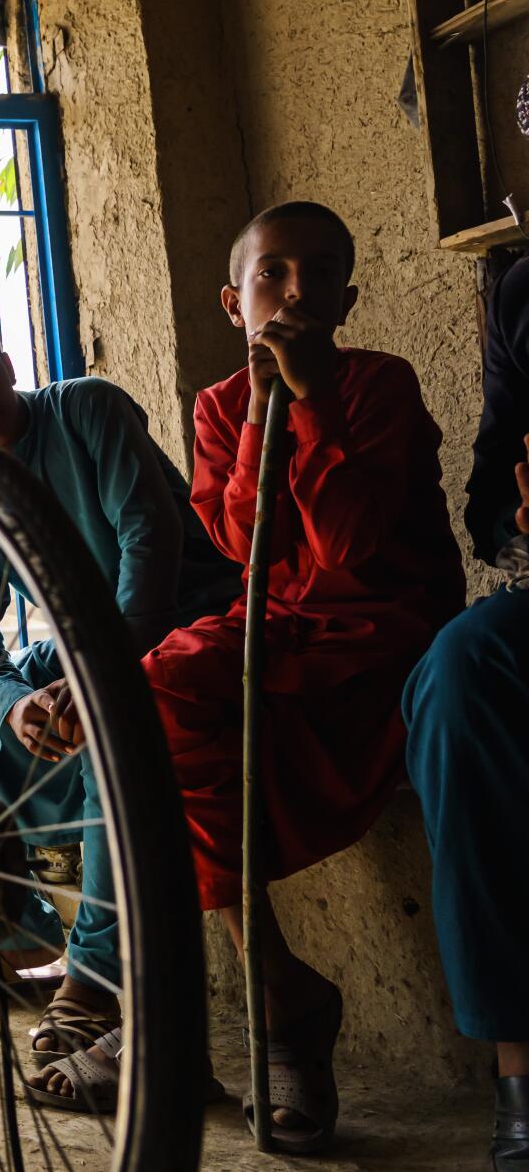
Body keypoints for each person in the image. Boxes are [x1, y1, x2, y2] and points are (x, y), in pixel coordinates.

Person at [133, 201, 461, 1152]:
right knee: (150, 693)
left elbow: (351, 554)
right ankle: (279, 985)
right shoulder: (216, 407)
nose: (296, 291)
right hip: (273, 627)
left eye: (321, 274)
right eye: (272, 273)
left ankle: (278, 1020)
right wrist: (266, 406)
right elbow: (243, 545)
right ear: (232, 302)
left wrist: (312, 402)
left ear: (349, 299)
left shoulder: (378, 385)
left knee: (191, 693)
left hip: (377, 637)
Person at [0, 312, 239, 1088]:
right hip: (90, 645)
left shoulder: (86, 407)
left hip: (189, 619)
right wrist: (15, 698)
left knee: (100, 720)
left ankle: (99, 977)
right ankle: (21, 938)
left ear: (9, 361)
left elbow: (150, 538)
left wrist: (88, 672)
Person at [401, 253, 529, 1170]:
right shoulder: (526, 295)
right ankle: (521, 1072)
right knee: (460, 671)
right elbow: (487, 504)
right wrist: (520, 522)